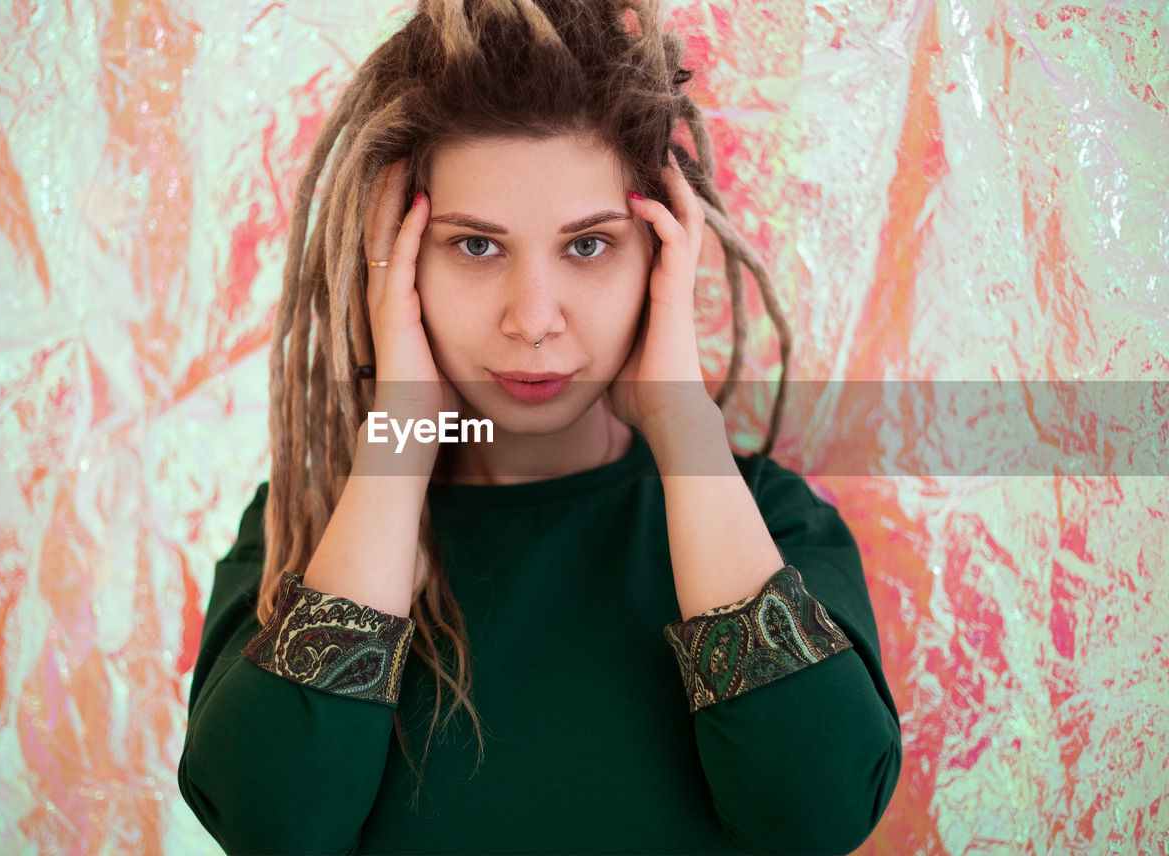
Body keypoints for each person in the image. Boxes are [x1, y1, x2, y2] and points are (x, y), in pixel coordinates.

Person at [178, 0, 903, 853]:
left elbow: (817, 818)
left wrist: (681, 420)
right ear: (395, 264)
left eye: (589, 245)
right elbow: (274, 827)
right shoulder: (302, 529)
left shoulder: (771, 523)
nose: (533, 319)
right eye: (476, 247)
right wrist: (399, 432)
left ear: (664, 257)